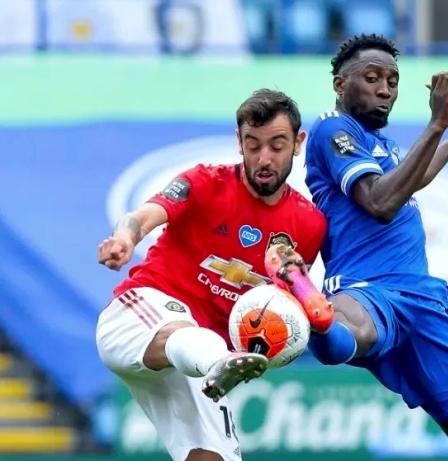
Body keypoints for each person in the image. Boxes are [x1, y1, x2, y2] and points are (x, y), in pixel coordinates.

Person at [265, 34, 448, 460]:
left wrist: (446, 149)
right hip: (368, 286)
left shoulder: (382, 145)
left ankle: (321, 321)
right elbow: (379, 202)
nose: (384, 89)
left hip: (425, 301)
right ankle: (315, 315)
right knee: (349, 329)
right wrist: (437, 125)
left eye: (392, 81)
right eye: (372, 78)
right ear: (341, 85)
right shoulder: (333, 128)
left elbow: (406, 183)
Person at [96, 89, 327, 461]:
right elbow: (142, 217)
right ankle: (215, 361)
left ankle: (215, 362)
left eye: (276, 145)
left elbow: (279, 306)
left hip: (202, 365)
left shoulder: (308, 225)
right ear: (239, 141)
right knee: (186, 333)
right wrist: (125, 237)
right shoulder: (204, 182)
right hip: (139, 317)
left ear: (298, 143)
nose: (264, 158)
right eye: (252, 145)